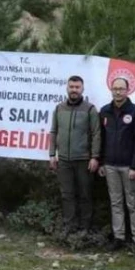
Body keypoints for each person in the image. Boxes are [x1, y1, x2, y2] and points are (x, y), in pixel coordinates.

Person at [49, 76, 101, 233]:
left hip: (84, 160)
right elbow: (53, 132)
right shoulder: (59, 108)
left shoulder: (90, 109)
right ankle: (68, 227)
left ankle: (84, 228)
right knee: (67, 195)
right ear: (67, 88)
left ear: (82, 89)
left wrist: (94, 157)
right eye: (71, 86)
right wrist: (52, 154)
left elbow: (96, 133)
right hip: (64, 160)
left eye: (77, 87)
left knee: (85, 195)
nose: (74, 90)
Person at [98, 77, 135, 250]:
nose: (118, 91)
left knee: (133, 203)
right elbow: (101, 138)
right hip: (109, 165)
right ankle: (119, 237)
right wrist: (102, 162)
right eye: (115, 88)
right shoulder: (104, 111)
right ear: (111, 89)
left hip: (128, 166)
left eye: (121, 88)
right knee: (115, 202)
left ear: (128, 90)